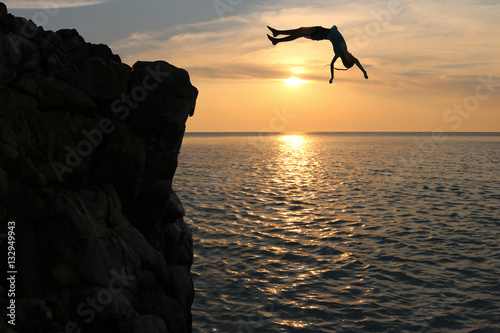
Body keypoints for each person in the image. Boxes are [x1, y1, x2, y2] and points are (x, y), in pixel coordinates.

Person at [267, 25, 369, 83]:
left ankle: (277, 38)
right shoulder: (344, 51)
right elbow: (355, 61)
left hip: (322, 34)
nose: (350, 57)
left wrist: (332, 77)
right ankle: (277, 34)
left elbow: (333, 65)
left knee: (301, 32)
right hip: (323, 32)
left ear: (346, 59)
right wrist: (364, 72)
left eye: (349, 58)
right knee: (300, 31)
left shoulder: (340, 53)